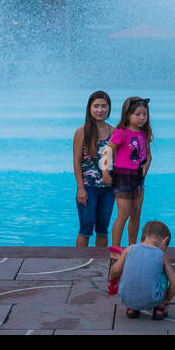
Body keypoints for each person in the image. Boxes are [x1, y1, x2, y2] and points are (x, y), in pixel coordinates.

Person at [106, 97, 152, 248]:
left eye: (144, 114)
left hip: (138, 178)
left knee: (136, 214)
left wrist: (146, 166)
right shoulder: (121, 133)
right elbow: (108, 151)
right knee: (123, 214)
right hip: (122, 177)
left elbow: (149, 154)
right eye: (137, 114)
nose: (141, 118)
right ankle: (116, 248)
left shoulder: (144, 133)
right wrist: (106, 172)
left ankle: (132, 246)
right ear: (127, 115)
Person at [109, 220, 175, 320]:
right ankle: (161, 308)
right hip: (153, 300)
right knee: (164, 276)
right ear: (165, 240)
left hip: (126, 299)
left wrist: (112, 278)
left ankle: (132, 309)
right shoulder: (161, 255)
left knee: (128, 272)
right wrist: (167, 300)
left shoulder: (129, 249)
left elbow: (115, 271)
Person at [72, 90, 114, 248]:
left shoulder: (114, 132)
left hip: (108, 189)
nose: (100, 110)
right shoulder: (82, 132)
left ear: (109, 108)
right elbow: (76, 161)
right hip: (88, 188)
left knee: (103, 230)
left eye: (104, 106)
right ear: (89, 108)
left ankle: (101, 267)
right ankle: (80, 264)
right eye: (96, 106)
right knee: (85, 230)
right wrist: (80, 188)